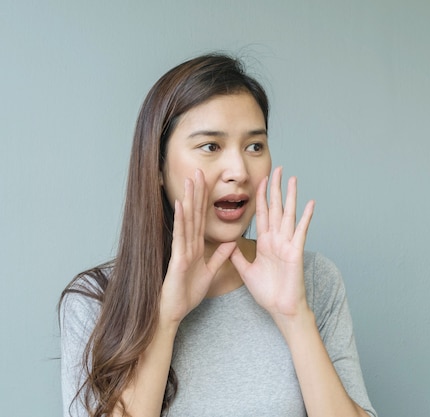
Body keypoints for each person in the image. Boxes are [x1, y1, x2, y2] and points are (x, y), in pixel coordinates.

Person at [59, 53, 377, 417]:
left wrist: (293, 316)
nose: (239, 170)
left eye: (254, 146)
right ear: (158, 166)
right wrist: (167, 316)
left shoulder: (314, 281)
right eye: (210, 146)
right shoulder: (94, 301)